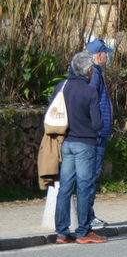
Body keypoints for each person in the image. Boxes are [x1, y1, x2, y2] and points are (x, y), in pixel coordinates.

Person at [52, 51, 106, 243]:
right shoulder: (89, 91)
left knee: (65, 187)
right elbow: (98, 123)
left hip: (66, 142)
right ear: (89, 70)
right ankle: (83, 231)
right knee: (84, 187)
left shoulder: (62, 86)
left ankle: (62, 232)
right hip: (85, 143)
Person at [84, 39, 114, 229]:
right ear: (98, 56)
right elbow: (91, 101)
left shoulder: (96, 72)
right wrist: (97, 125)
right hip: (96, 133)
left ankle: (87, 215)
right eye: (105, 54)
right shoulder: (94, 73)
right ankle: (88, 217)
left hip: (98, 131)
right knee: (91, 175)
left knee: (91, 175)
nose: (107, 57)